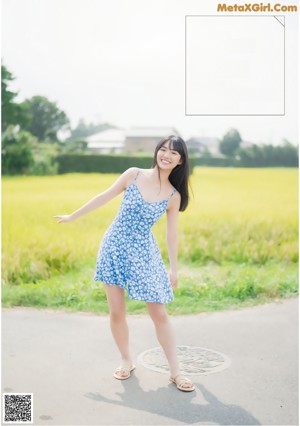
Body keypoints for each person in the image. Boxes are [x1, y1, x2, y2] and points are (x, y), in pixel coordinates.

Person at [54, 135, 195, 392]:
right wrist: (73, 216)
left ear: (180, 160)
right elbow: (104, 196)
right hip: (115, 245)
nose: (166, 154)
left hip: (144, 251)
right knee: (117, 311)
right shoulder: (134, 174)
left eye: (173, 152)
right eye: (163, 149)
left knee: (159, 313)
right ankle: (126, 359)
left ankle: (176, 371)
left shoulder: (173, 195)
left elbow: (171, 234)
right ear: (156, 152)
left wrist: (173, 268)